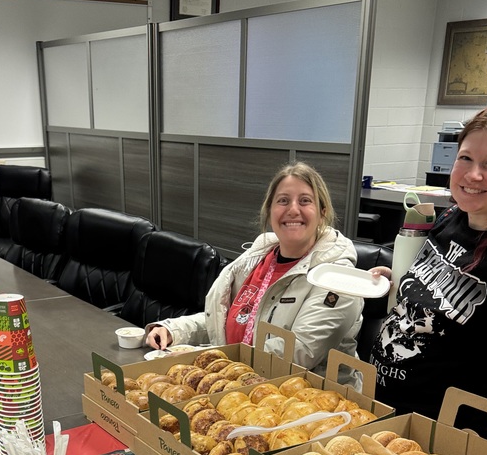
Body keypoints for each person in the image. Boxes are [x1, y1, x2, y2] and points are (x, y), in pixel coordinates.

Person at [369, 97, 487, 452]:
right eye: (466, 158)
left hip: (434, 445)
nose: (473, 175)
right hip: (388, 413)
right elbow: (441, 295)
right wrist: (399, 283)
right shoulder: (454, 218)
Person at [145, 162, 363, 380]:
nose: (293, 209)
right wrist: (174, 330)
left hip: (308, 400)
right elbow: (230, 321)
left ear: (322, 213)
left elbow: (300, 353)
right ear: (269, 211)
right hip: (241, 383)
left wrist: (220, 370)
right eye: (283, 201)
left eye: (305, 201)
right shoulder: (259, 258)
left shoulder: (338, 278)